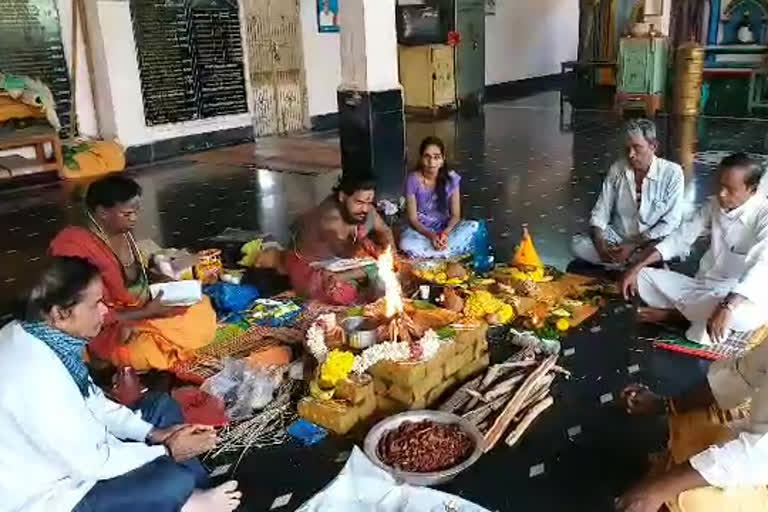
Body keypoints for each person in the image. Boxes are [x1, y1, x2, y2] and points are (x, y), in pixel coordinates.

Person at [0, 256, 241, 512]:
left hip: (81, 454)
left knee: (160, 408)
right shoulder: (36, 377)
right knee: (172, 482)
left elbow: (93, 403)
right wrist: (167, 450)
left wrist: (153, 435)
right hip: (53, 495)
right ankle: (187, 501)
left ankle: (190, 495)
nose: (105, 311)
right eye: (95, 304)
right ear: (60, 313)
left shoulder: (39, 333)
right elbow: (91, 463)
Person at [49, 175, 217, 370]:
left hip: (140, 307)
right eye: (127, 214)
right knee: (141, 350)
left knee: (200, 306)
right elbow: (79, 311)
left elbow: (133, 273)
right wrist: (145, 312)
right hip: (104, 324)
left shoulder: (121, 231)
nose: (134, 219)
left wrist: (163, 280)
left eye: (136, 212)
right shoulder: (74, 246)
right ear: (103, 212)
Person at [621, 153, 768, 346]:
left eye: (730, 189)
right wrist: (637, 266)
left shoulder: (764, 216)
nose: (722, 194)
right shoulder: (714, 204)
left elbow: (762, 267)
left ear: (752, 189)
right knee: (642, 277)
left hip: (741, 299)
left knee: (742, 315)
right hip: (704, 289)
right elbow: (680, 238)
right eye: (720, 186)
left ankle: (674, 316)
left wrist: (728, 305)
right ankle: (698, 319)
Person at [616, 341, 768, 512]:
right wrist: (666, 405)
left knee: (694, 503)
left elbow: (761, 457)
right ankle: (674, 466)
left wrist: (659, 489)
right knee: (701, 417)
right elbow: (742, 376)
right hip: (753, 434)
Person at [571, 119, 685, 268]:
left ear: (653, 146)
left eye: (637, 147)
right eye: (627, 148)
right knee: (578, 245)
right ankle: (633, 263)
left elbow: (671, 222)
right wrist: (601, 247)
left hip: (652, 240)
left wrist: (633, 245)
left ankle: (624, 263)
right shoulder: (617, 169)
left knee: (673, 246)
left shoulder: (672, 173)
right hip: (620, 238)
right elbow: (600, 213)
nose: (631, 154)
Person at [285, 173, 395, 305]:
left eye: (369, 202)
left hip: (338, 263)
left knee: (383, 269)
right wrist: (370, 248)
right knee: (346, 290)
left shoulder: (360, 210)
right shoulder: (331, 220)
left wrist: (392, 253)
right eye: (359, 202)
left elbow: (385, 230)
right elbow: (349, 254)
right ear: (342, 196)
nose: (365, 208)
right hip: (311, 268)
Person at [400, 136, 479, 259]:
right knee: (406, 243)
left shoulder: (452, 179)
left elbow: (455, 215)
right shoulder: (413, 179)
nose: (431, 163)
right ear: (421, 158)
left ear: (442, 159)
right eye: (427, 157)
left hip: (446, 230)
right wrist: (431, 236)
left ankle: (435, 253)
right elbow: (413, 219)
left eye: (436, 157)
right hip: (422, 232)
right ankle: (446, 254)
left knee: (474, 227)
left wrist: (445, 234)